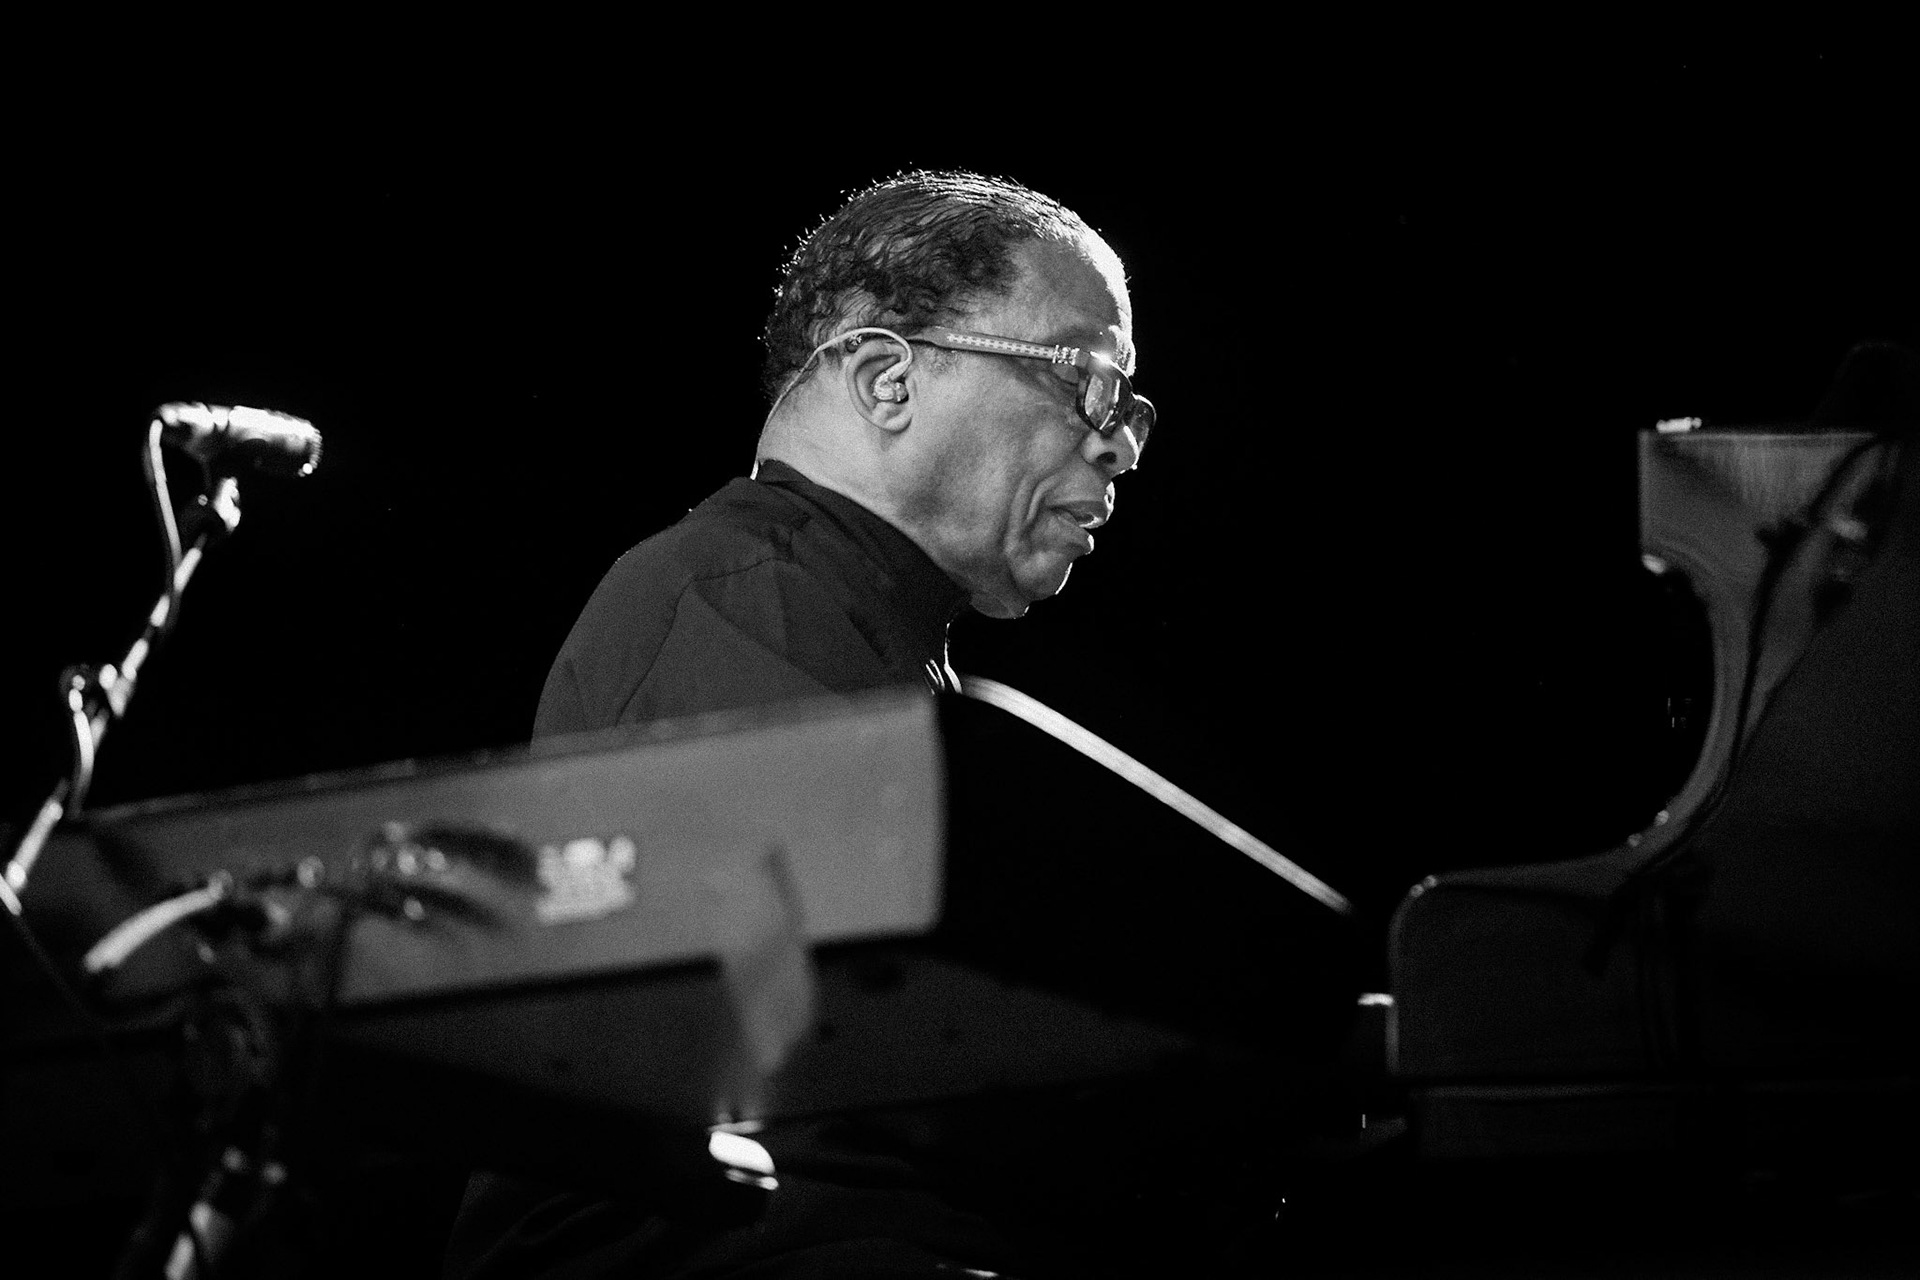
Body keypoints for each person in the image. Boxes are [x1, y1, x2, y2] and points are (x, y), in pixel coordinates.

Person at [445, 170, 1154, 1278]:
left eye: (1129, 409)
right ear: (884, 377)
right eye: (1091, 383)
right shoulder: (739, 598)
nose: (1118, 445)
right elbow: (838, 1089)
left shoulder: (842, 615)